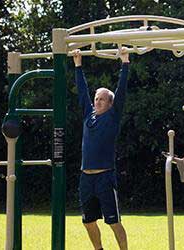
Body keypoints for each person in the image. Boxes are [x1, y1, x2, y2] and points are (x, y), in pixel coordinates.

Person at [72, 47, 131, 250]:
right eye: (96, 98)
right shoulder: (89, 115)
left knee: (113, 222)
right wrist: (78, 65)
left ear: (110, 103)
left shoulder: (112, 117)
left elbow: (121, 90)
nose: (97, 101)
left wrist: (125, 63)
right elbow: (82, 91)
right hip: (86, 177)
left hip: (105, 177)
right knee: (88, 221)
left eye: (102, 99)